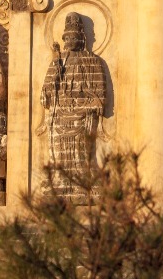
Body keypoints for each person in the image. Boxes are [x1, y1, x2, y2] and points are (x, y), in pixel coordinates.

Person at [41, 13, 108, 199]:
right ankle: (60, 180)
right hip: (60, 111)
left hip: (82, 112)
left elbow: (100, 94)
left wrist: (88, 101)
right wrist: (56, 61)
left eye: (74, 37)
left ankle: (81, 181)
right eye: (67, 38)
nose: (70, 41)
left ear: (82, 38)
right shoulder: (59, 60)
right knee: (59, 149)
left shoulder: (92, 61)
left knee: (80, 150)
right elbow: (47, 91)